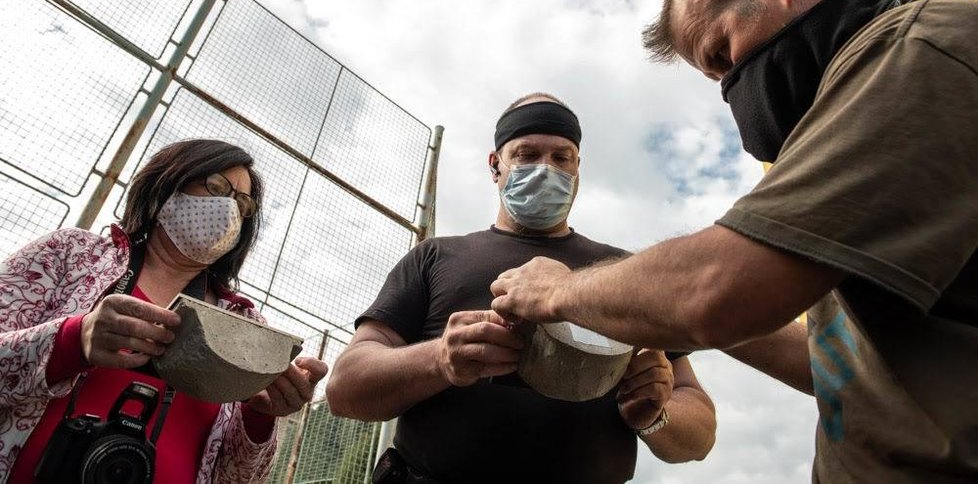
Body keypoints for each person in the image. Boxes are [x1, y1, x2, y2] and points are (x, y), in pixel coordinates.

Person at [490, 0, 978, 483]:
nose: (735, 92)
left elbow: (716, 292)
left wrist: (559, 291)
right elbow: (843, 368)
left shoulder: (919, 52)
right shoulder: (859, 109)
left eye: (722, 54)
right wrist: (656, 309)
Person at [326, 94, 718, 484]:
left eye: (561, 157)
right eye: (527, 154)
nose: (546, 170)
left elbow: (699, 435)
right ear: (496, 165)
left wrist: (656, 414)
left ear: (578, 168)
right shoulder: (437, 257)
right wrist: (439, 359)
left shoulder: (622, 274)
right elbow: (345, 388)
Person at [0, 139, 328, 483]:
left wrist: (260, 417)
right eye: (217, 187)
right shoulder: (72, 254)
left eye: (243, 204)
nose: (230, 209)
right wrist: (73, 340)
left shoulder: (245, 325)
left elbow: (240, 477)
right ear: (167, 184)